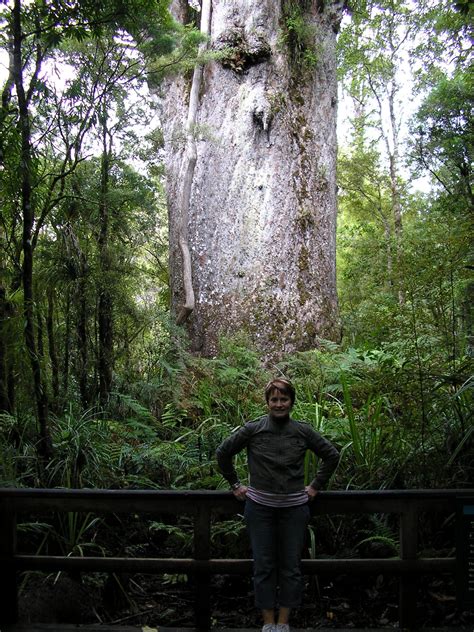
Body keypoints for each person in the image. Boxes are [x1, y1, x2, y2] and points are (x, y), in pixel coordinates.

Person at [216, 378, 340, 632]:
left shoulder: (302, 431)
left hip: (294, 509)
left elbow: (331, 455)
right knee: (263, 565)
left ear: (292, 401)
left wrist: (315, 486)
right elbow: (223, 452)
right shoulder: (254, 429)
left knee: (291, 567)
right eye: (274, 399)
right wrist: (235, 485)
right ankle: (267, 623)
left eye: (284, 399)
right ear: (267, 402)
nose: (279, 404)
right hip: (259, 509)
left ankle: (283, 623)